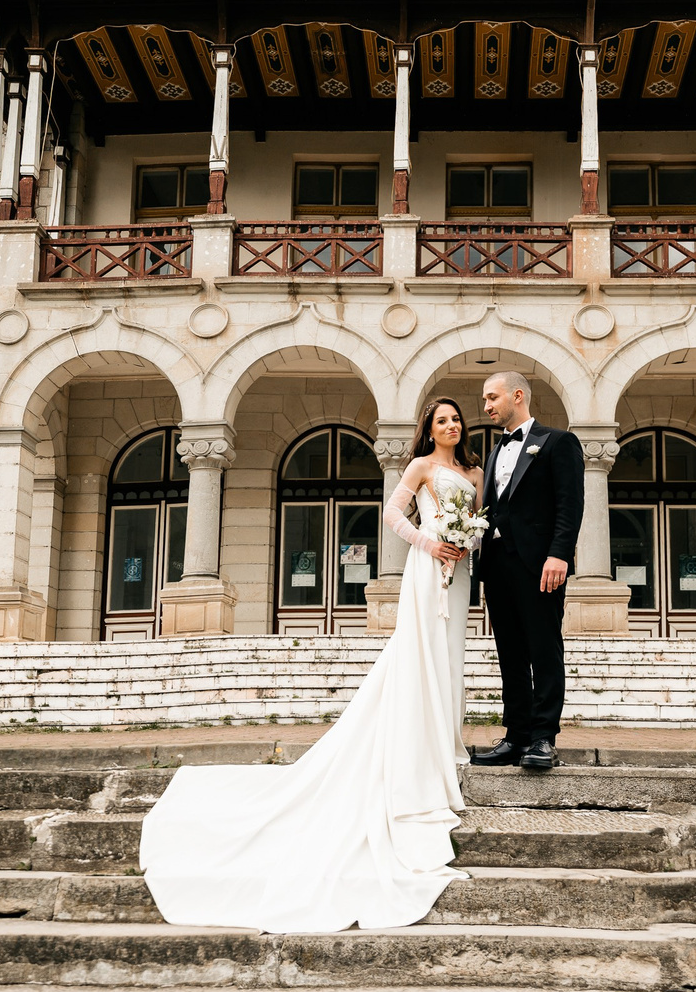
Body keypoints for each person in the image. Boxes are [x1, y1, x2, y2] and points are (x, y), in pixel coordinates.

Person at [136, 397, 478, 931]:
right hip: (428, 565)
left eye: (456, 419)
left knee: (452, 653)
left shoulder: (473, 470)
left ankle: (447, 738)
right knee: (423, 651)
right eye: (441, 421)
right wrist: (429, 542)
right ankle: (422, 744)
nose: (451, 426)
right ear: (428, 429)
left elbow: (481, 517)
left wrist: (467, 538)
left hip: (462, 573)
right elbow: (392, 514)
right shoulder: (420, 466)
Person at [471, 370, 583, 771]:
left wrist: (560, 554)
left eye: (491, 398)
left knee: (543, 649)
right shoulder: (494, 451)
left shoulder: (558, 443)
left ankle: (542, 739)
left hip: (540, 566)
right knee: (510, 655)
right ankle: (516, 736)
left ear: (517, 396)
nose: (486, 407)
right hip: (497, 566)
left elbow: (570, 506)